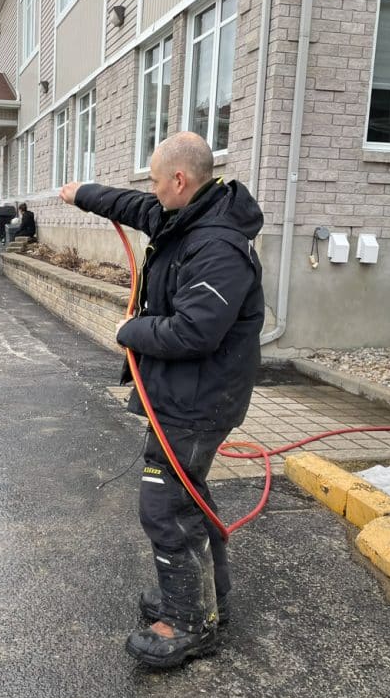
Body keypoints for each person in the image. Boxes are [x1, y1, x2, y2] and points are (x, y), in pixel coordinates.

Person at [58, 131, 264, 668]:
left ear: (180, 180)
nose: (149, 191)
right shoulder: (186, 215)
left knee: (167, 504)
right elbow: (132, 205)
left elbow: (196, 332)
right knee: (187, 496)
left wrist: (131, 331)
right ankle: (201, 598)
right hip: (184, 395)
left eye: (155, 179)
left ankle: (190, 623)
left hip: (199, 401)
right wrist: (82, 193)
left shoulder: (217, 247)